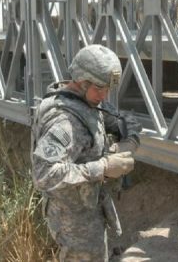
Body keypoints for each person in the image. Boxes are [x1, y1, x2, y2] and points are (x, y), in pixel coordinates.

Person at [31, 44, 142, 261]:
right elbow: (43, 174)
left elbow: (125, 122)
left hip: (86, 211)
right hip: (73, 219)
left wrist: (124, 144)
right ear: (82, 83)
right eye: (100, 89)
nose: (104, 95)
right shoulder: (65, 121)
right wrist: (103, 167)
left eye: (108, 89)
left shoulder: (82, 102)